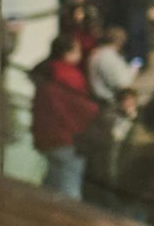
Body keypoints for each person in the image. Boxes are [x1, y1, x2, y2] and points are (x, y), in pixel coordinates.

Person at [32, 34, 99, 199]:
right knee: (69, 189)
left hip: (45, 136)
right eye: (77, 50)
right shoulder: (68, 76)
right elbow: (79, 109)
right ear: (66, 53)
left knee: (52, 183)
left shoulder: (47, 72)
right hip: (67, 138)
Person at [87, 23, 139, 106]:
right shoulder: (108, 57)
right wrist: (134, 69)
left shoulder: (98, 53)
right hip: (109, 102)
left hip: (103, 99)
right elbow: (123, 84)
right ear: (120, 41)